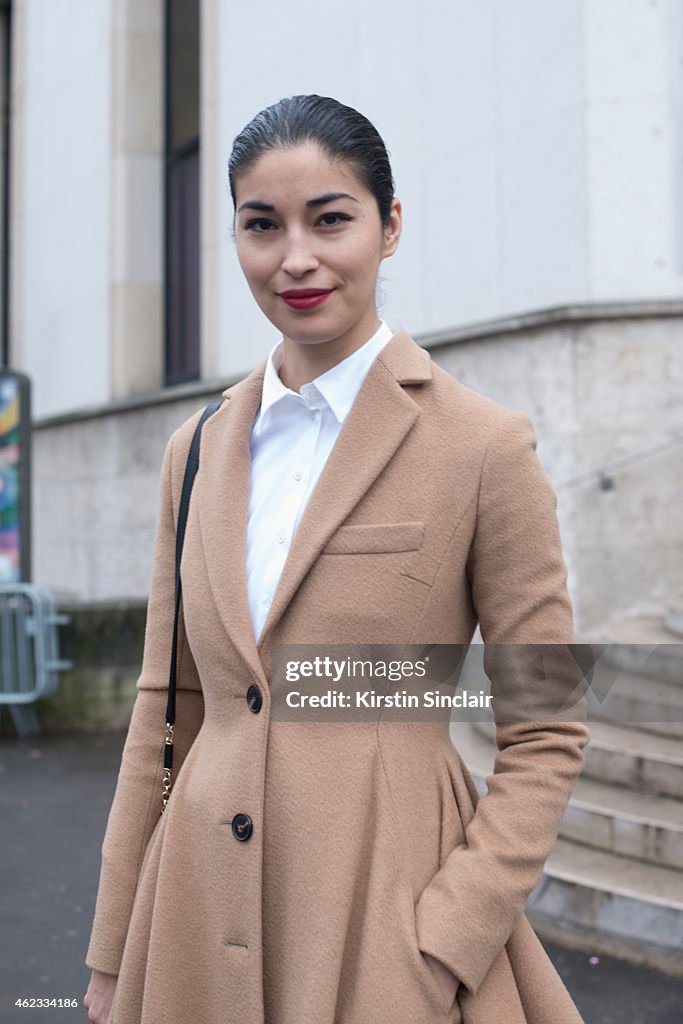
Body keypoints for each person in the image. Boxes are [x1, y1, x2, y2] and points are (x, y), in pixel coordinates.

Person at [83, 94, 590, 1024]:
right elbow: (167, 711)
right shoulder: (192, 451)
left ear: (388, 227)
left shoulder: (482, 445)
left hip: (382, 920)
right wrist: (116, 949)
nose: (296, 259)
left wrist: (448, 939)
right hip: (191, 916)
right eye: (261, 226)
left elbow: (547, 724)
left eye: (330, 219)